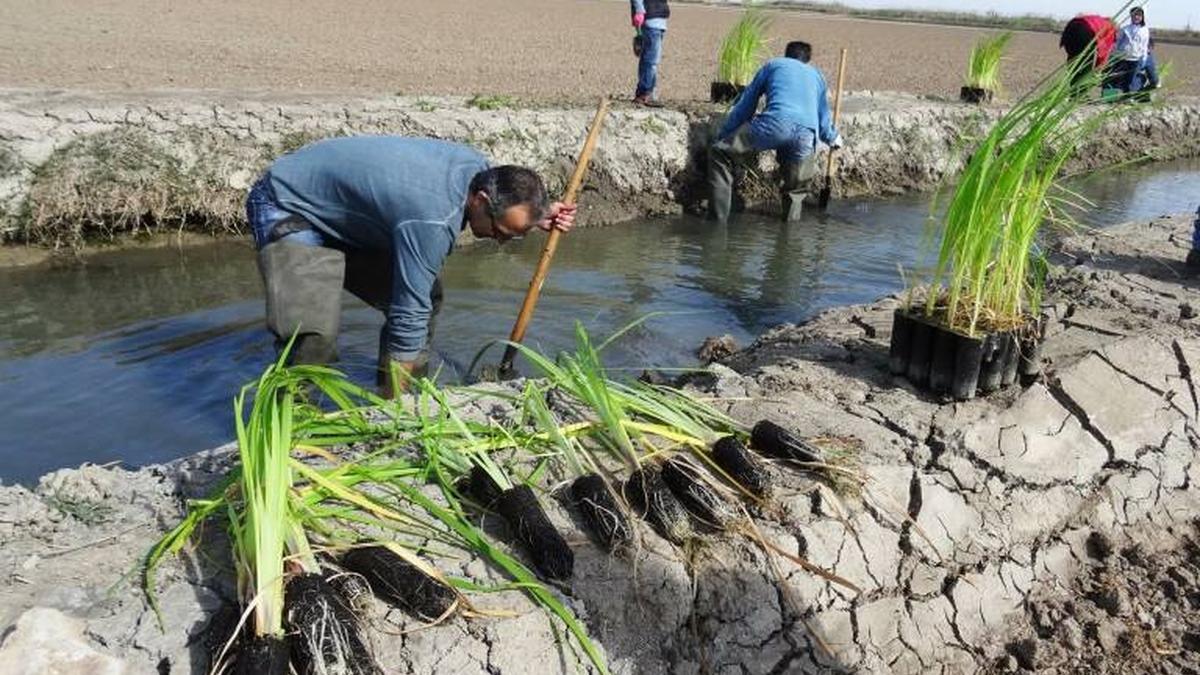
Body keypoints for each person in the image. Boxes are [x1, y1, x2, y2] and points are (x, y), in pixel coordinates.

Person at [246, 136, 576, 396]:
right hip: (289, 203)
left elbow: (514, 204)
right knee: (311, 332)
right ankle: (299, 421)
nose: (501, 242)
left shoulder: (481, 173)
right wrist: (396, 415)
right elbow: (408, 314)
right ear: (481, 201)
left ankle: (401, 389)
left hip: (349, 215)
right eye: (502, 232)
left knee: (427, 298)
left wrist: (539, 216)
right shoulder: (432, 219)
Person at [707, 41, 843, 223]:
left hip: (774, 126)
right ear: (807, 60)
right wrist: (833, 138)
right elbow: (823, 116)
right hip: (805, 136)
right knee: (795, 190)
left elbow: (746, 106)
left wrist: (725, 134)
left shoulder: (773, 65)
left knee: (720, 153)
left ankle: (717, 221)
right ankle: (789, 236)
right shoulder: (817, 75)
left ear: (786, 54)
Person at [1059, 14, 1117, 85]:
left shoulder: (1097, 19)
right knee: (1087, 64)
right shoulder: (1111, 28)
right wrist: (1099, 67)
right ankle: (1079, 88)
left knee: (1074, 58)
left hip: (1071, 27)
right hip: (1086, 31)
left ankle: (1072, 81)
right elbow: (1104, 51)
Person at [631, 0, 669, 107]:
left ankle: (646, 92)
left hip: (658, 20)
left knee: (649, 60)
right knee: (651, 60)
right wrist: (639, 11)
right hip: (651, 20)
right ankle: (645, 93)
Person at [1112, 6, 1151, 93]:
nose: (1136, 17)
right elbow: (1117, 43)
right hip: (1122, 58)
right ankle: (1114, 96)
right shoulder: (1125, 29)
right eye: (1134, 15)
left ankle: (1127, 97)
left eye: (1139, 15)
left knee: (1131, 79)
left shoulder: (1145, 30)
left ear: (1142, 17)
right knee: (1119, 78)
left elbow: (1144, 45)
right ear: (1131, 16)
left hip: (1136, 58)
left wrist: (1144, 58)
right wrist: (1113, 54)